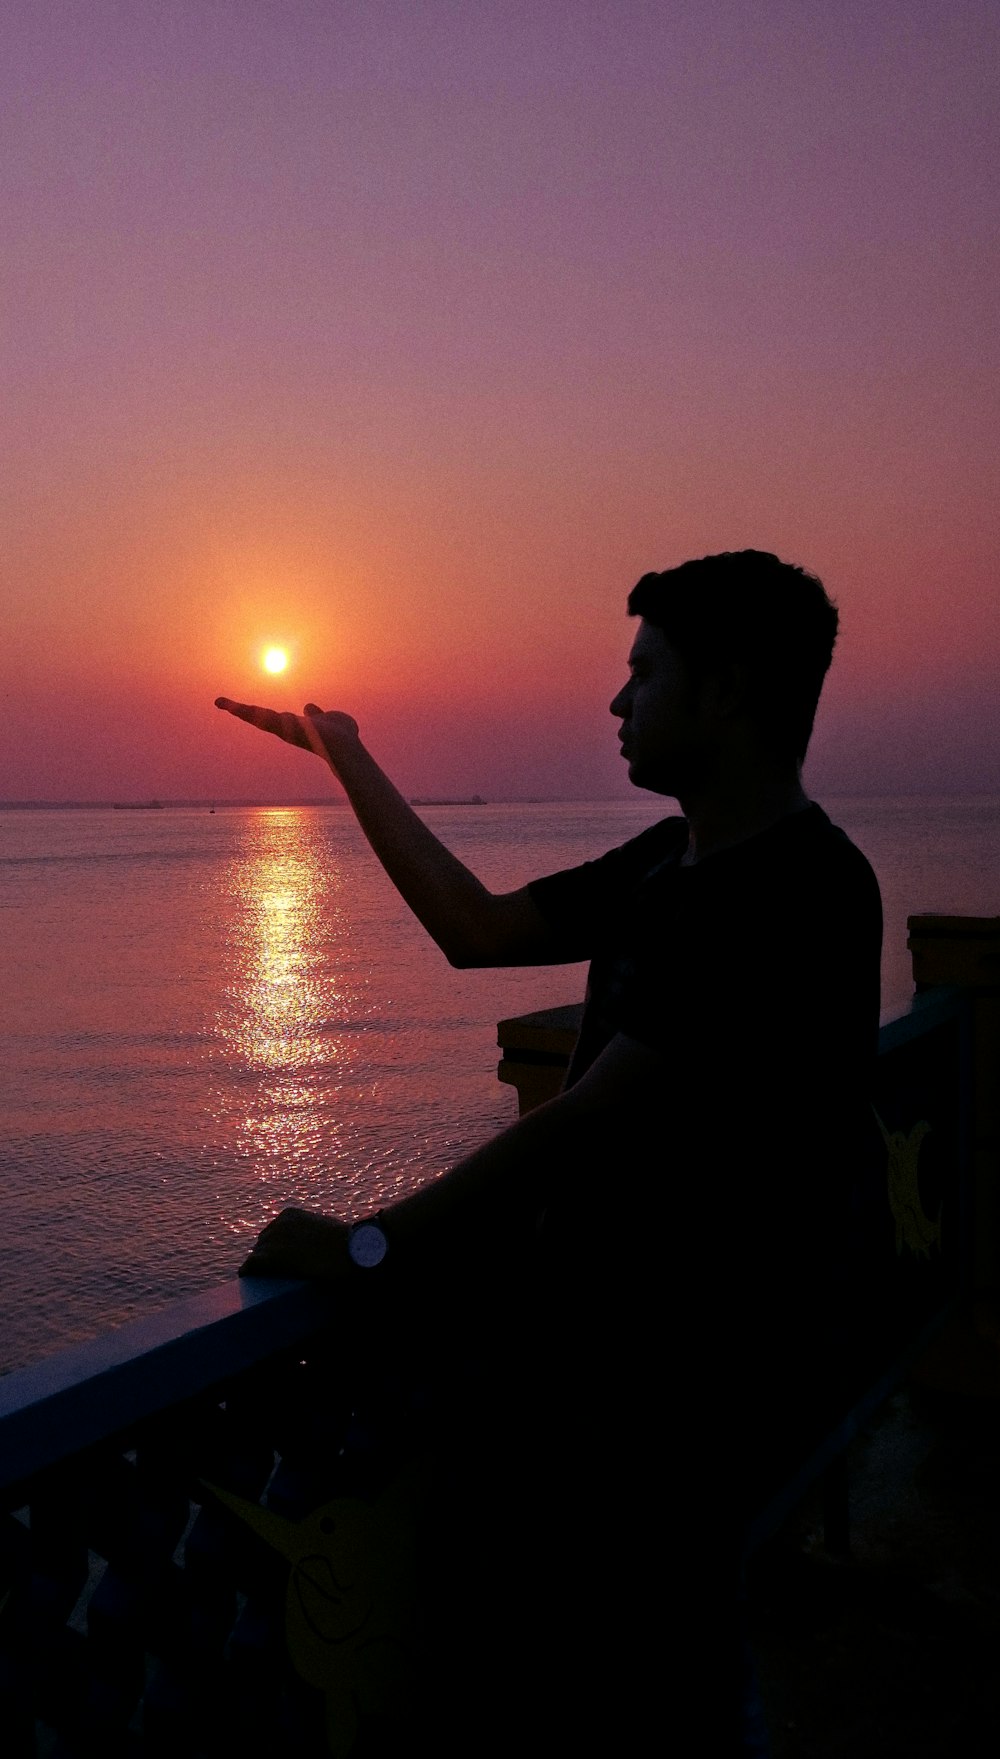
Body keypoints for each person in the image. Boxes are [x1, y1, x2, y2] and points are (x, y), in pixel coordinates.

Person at [216, 549, 883, 1752]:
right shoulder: (666, 864)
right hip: (618, 1353)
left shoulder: (805, 889)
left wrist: (373, 1242)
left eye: (644, 673)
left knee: (653, 1673)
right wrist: (346, 756)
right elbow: (474, 929)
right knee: (638, 1658)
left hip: (705, 1373)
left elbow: (593, 1117)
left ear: (725, 692)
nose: (616, 703)